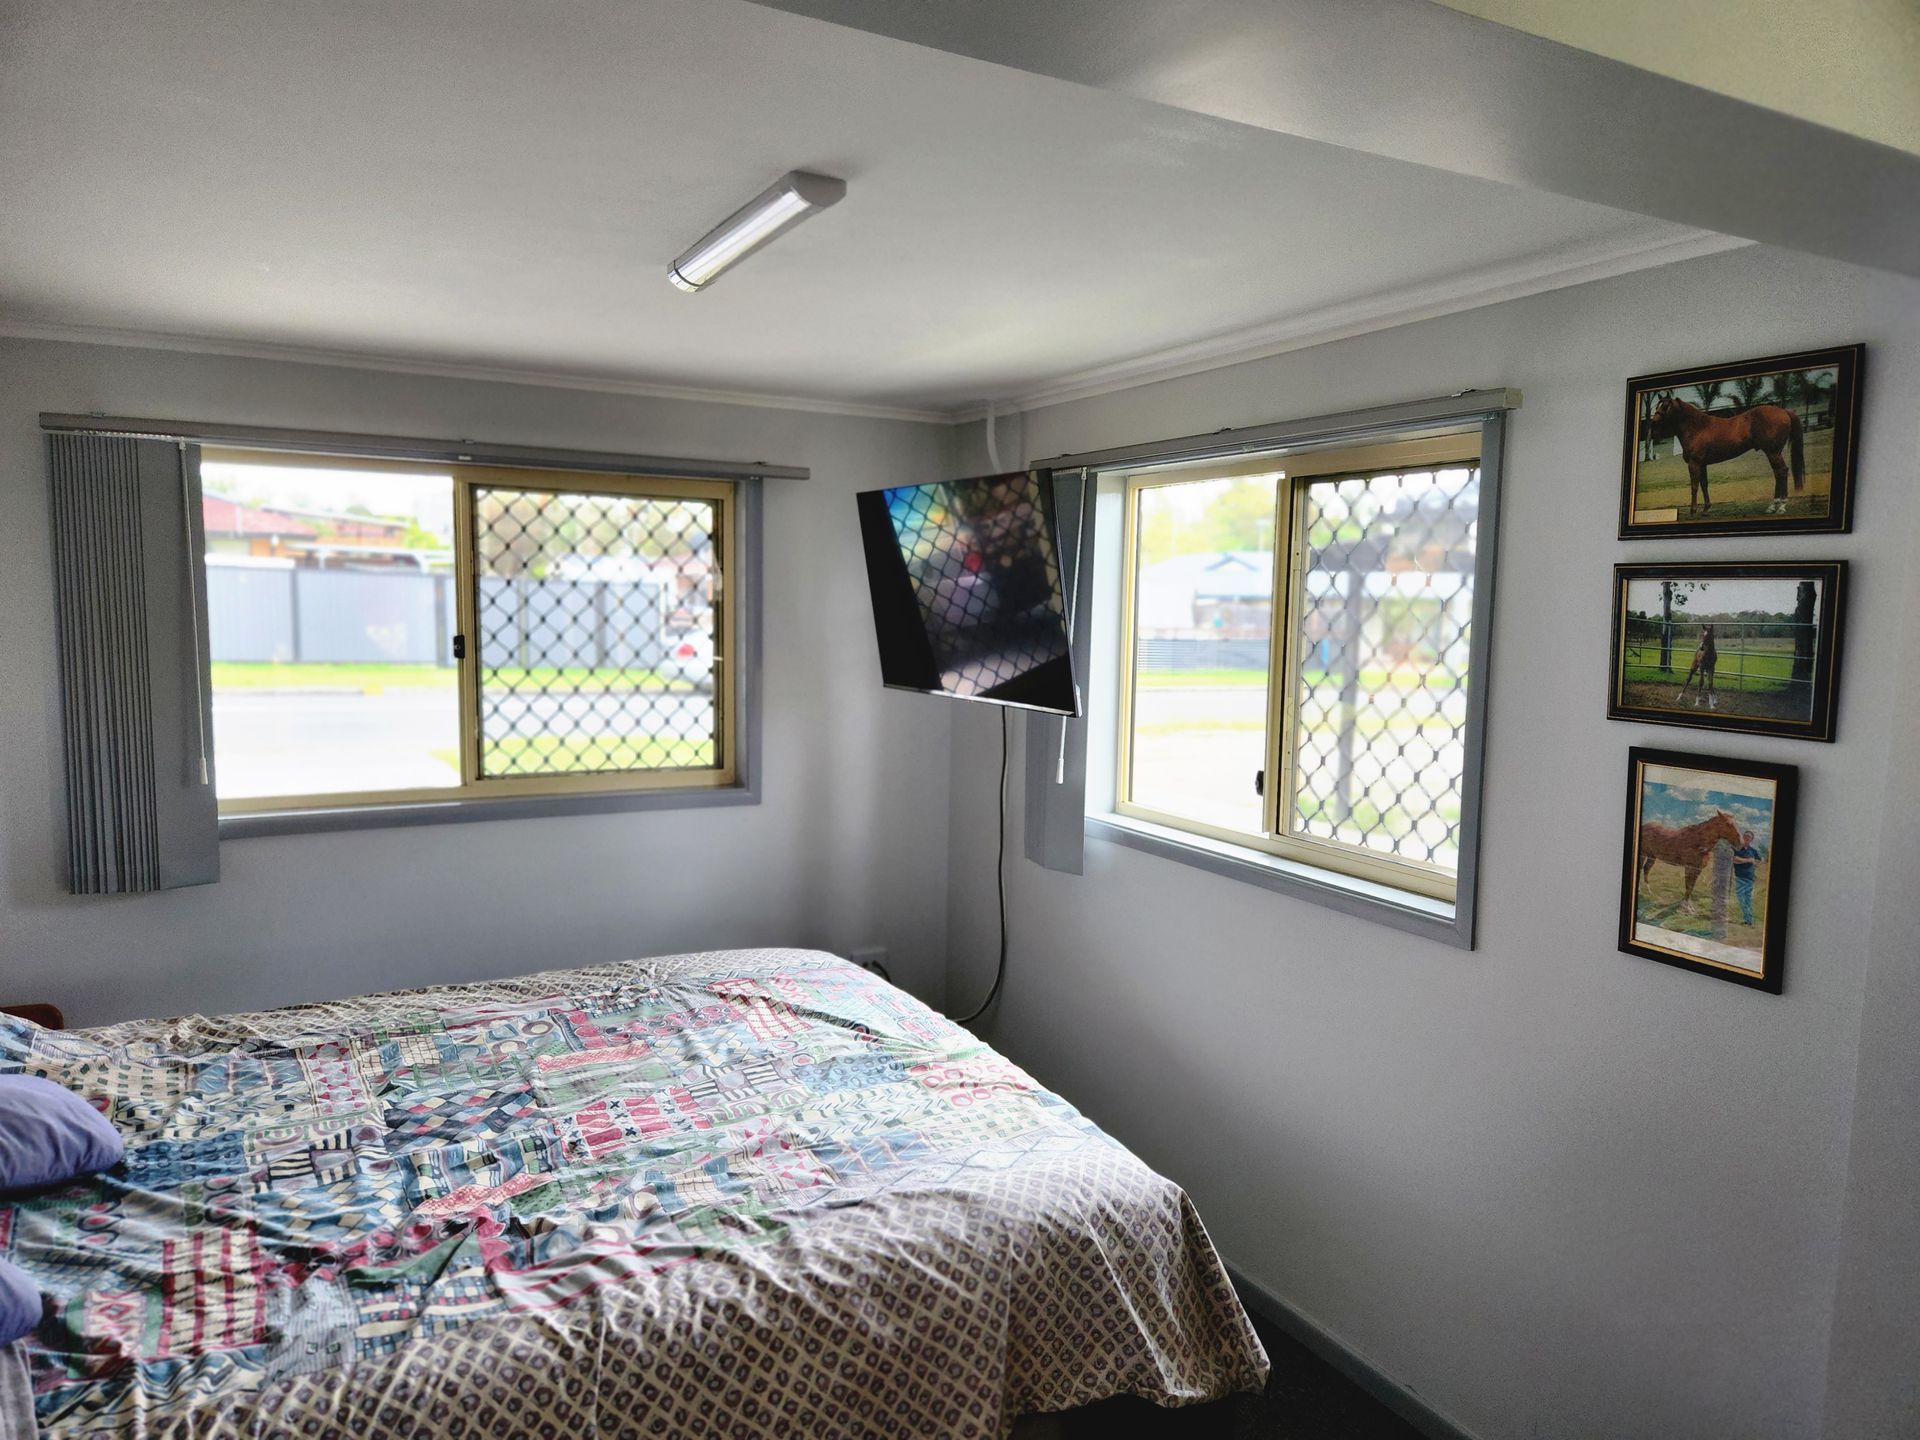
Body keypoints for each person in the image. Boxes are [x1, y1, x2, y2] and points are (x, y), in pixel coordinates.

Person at [1731, 828, 1764, 926]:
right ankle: (1749, 920)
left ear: (1751, 840)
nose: (1746, 838)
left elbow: (1760, 860)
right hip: (1740, 878)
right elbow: (1734, 859)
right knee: (1741, 899)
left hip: (1750, 879)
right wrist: (1748, 860)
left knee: (1748, 900)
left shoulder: (1753, 851)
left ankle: (1748, 921)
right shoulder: (1737, 849)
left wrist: (1755, 863)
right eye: (1745, 836)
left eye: (1748, 837)